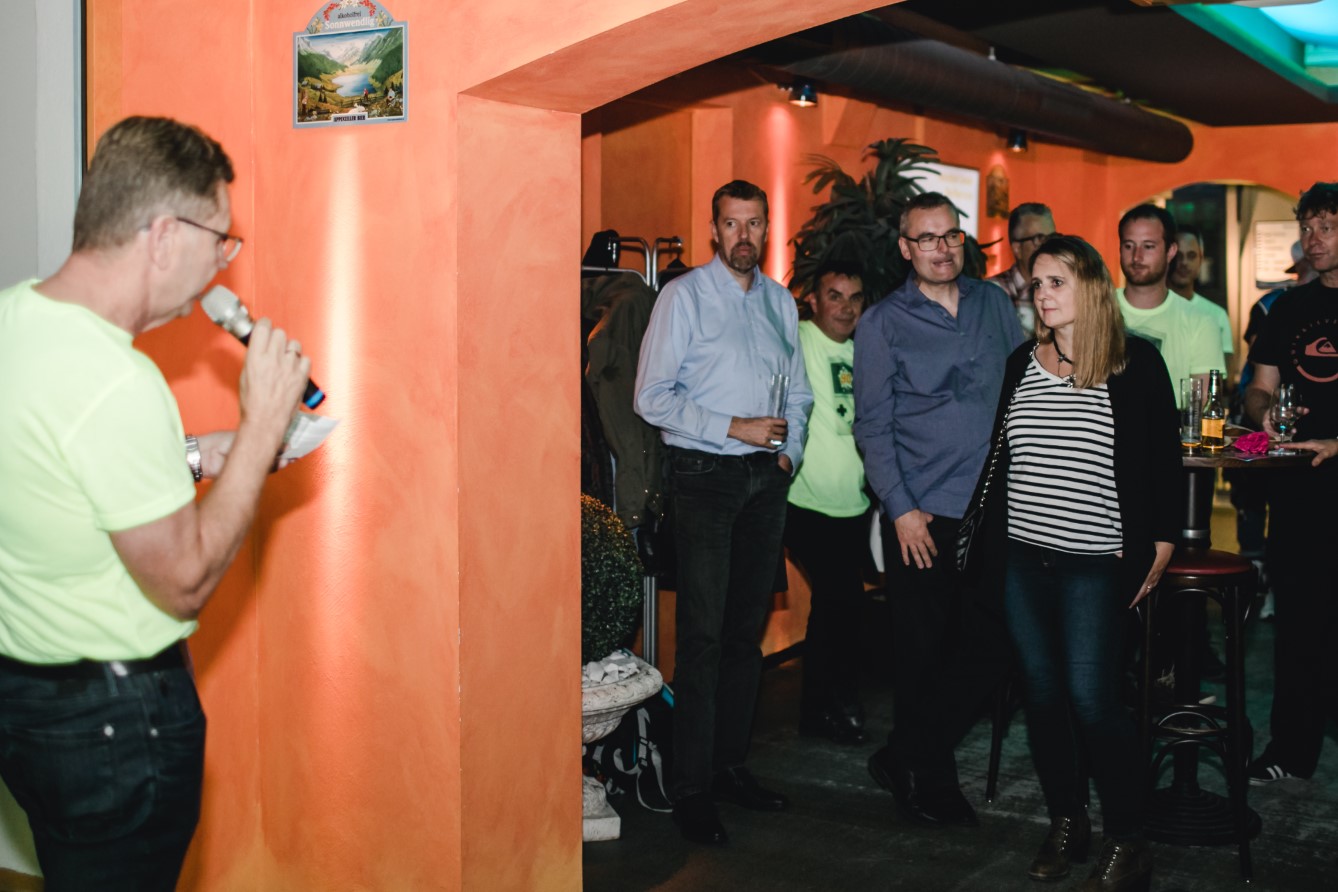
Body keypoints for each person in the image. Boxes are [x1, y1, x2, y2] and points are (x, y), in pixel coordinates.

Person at [0, 117, 310, 890]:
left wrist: (200, 455)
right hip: (113, 724)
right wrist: (261, 429)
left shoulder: (15, 319)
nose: (223, 262)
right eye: (220, 240)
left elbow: (63, 472)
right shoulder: (118, 381)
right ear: (165, 235)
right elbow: (184, 579)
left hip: (28, 702)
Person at [968, 235, 1179, 891]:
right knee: (1042, 696)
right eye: (1037, 284)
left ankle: (1128, 838)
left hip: (1095, 562)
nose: (1042, 295)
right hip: (1023, 560)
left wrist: (1161, 543)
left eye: (1056, 282)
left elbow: (1163, 462)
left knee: (1092, 701)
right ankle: (1067, 820)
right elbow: (1004, 461)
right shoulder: (1021, 363)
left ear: (1090, 286)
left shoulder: (1135, 363)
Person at [634, 179, 813, 844]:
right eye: (732, 224)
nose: (744, 235)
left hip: (765, 483)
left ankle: (730, 766)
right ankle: (690, 788)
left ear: (767, 229)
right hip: (705, 479)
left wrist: (788, 454)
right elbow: (651, 397)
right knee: (704, 638)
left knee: (745, 636)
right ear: (714, 230)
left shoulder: (779, 302)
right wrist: (734, 426)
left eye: (754, 223)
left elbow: (799, 394)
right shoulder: (683, 297)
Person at [853, 191, 1025, 826]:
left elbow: (1021, 388)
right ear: (906, 249)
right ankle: (930, 780)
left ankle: (906, 754)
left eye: (950, 235)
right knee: (922, 652)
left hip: (996, 508)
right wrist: (900, 509)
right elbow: (872, 427)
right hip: (923, 515)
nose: (942, 248)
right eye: (926, 238)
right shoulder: (881, 324)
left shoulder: (993, 303)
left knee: (998, 642)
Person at [1243, 181, 1338, 786]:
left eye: (1327, 226)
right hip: (1299, 492)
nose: (1313, 238)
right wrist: (1264, 418)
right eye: (1307, 227)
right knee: (1299, 626)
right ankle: (1292, 751)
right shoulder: (1288, 309)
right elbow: (1259, 388)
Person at [784, 261, 869, 745]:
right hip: (805, 501)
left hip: (853, 505)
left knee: (840, 608)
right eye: (835, 296)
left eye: (855, 297)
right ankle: (827, 708)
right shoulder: (797, 339)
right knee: (839, 601)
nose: (846, 307)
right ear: (813, 300)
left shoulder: (862, 351)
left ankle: (825, 708)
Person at [1115, 205, 1221, 404]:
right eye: (1128, 246)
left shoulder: (1200, 321)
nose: (1137, 256)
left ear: (1171, 251)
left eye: (1148, 246)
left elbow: (1200, 406)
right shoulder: (1095, 310)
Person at [987, 202, 1056, 332]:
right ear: (1017, 248)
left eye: (1052, 238)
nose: (1048, 246)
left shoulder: (1064, 288)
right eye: (1039, 239)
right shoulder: (994, 291)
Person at [1168, 224, 1232, 364]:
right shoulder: (1153, 309)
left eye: (1191, 256)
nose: (1184, 263)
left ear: (1201, 259)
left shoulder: (1216, 316)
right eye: (1178, 256)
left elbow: (1221, 373)